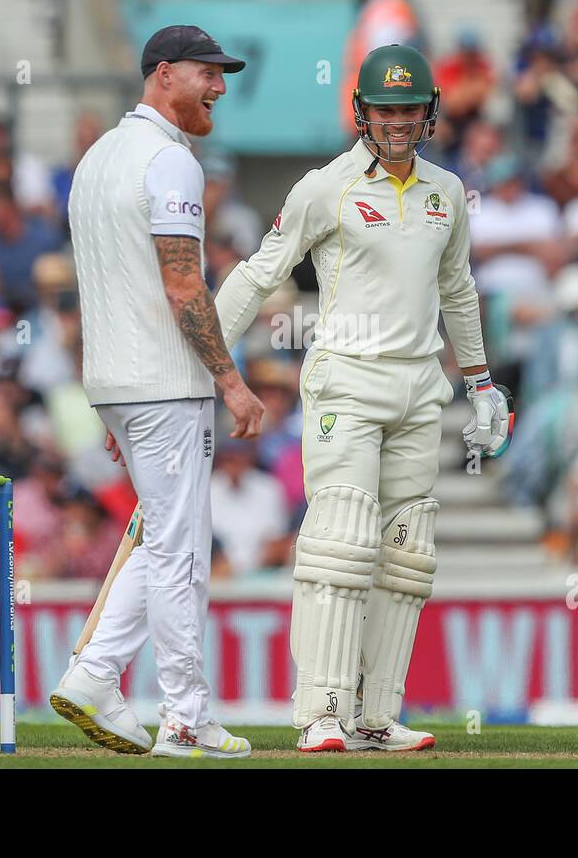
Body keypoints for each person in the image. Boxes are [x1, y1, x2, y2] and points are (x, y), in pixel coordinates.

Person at [213, 44, 509, 752]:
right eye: (386, 109)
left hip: (417, 384)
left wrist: (481, 381)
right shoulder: (325, 188)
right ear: (362, 112)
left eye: (410, 109)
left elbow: (458, 291)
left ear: (429, 111)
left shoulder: (445, 192)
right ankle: (319, 712)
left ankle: (374, 716)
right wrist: (210, 359)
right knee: (340, 543)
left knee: (405, 556)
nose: (398, 121)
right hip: (346, 375)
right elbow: (259, 273)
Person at [52, 25, 263, 760]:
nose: (221, 89)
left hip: (117, 381)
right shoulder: (170, 162)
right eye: (210, 74)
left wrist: (120, 395)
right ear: (164, 74)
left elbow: (105, 287)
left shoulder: (93, 160)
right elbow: (181, 285)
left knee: (163, 540)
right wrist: (231, 383)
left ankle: (95, 675)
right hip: (164, 386)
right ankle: (184, 719)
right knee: (179, 553)